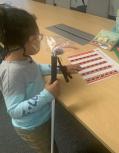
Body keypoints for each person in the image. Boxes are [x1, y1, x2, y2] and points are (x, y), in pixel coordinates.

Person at [0, 5, 81, 153]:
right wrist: (47, 95)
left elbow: (36, 69)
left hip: (41, 116)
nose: (39, 40)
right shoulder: (12, 73)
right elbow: (14, 110)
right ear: (29, 40)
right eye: (38, 37)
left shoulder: (22, 57)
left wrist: (60, 69)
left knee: (50, 143)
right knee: (48, 149)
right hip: (32, 126)